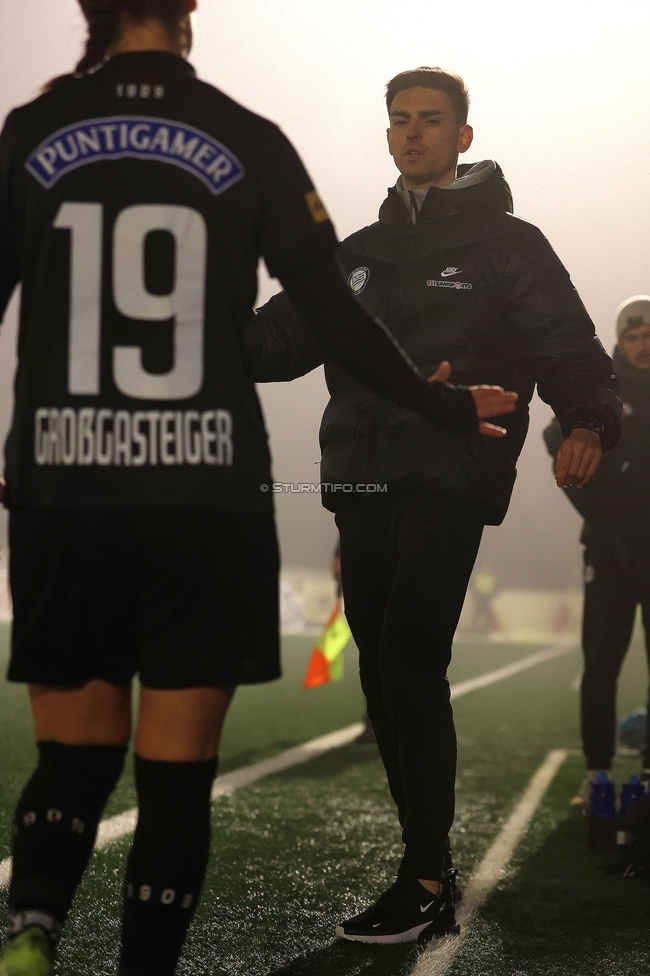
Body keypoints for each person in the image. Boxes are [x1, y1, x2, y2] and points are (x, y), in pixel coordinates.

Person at [0, 11, 519, 976]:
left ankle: (32, 922)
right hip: (203, 486)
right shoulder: (248, 137)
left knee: (72, 757)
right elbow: (339, 327)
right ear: (187, 12)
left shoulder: (31, 132)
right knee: (176, 770)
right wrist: (442, 404)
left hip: (66, 475)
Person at [244, 66, 622, 944]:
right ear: (387, 136)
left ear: (464, 135)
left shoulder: (510, 245)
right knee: (381, 677)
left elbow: (568, 346)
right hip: (362, 475)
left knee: (410, 660)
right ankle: (428, 866)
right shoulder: (356, 252)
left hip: (455, 467)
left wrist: (589, 422)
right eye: (400, 121)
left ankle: (423, 876)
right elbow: (273, 342)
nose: (413, 133)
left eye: (431, 120)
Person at [544, 296, 650, 808]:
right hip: (607, 549)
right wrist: (592, 506)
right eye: (632, 337)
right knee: (601, 660)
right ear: (620, 340)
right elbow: (552, 434)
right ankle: (598, 772)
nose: (641, 345)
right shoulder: (604, 385)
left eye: (649, 336)